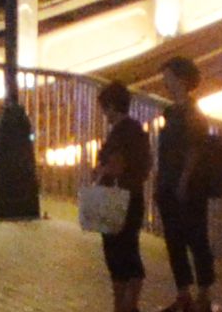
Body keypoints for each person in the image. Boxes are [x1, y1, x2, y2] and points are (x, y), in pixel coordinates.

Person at [147, 58, 222, 312]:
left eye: (168, 76)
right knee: (174, 240)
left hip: (189, 189)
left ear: (181, 80)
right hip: (169, 185)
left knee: (196, 238)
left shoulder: (193, 115)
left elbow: (194, 150)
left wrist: (183, 181)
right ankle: (184, 294)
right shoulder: (172, 112)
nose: (165, 81)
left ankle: (203, 293)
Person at [81, 82, 153, 312]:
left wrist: (100, 171)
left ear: (112, 107)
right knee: (130, 249)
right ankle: (130, 303)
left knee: (116, 253)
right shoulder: (137, 131)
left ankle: (122, 305)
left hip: (117, 200)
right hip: (134, 197)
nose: (104, 114)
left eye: (105, 109)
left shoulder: (121, 133)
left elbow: (117, 166)